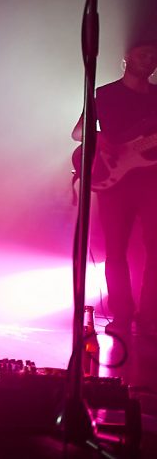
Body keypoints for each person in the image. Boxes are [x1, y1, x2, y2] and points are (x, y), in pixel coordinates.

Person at [72, 38, 157, 337]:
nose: (149, 59)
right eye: (144, 53)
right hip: (114, 183)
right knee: (116, 252)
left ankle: (149, 319)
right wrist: (104, 140)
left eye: (154, 56)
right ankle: (121, 315)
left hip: (151, 182)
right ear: (127, 57)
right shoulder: (105, 93)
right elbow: (78, 131)